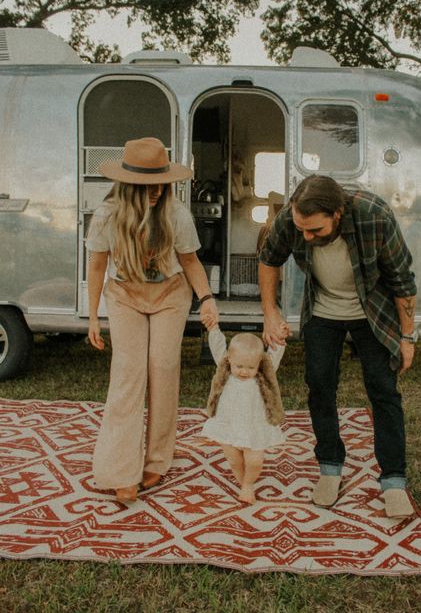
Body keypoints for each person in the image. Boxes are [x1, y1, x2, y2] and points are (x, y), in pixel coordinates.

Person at [259, 175, 417, 519]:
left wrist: (407, 337)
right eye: (302, 229)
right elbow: (269, 259)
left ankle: (393, 479)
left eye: (314, 231)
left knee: (382, 389)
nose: (306, 237)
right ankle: (329, 467)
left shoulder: (375, 216)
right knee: (319, 385)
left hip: (372, 311)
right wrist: (270, 313)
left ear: (338, 213)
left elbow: (403, 280)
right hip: (322, 309)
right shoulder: (293, 217)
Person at [86, 137, 219, 505]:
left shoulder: (176, 215)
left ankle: (158, 460)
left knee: (162, 368)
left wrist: (207, 299)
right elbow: (97, 266)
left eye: (161, 183)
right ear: (129, 185)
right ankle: (121, 471)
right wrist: (94, 316)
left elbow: (191, 262)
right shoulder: (107, 215)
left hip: (170, 295)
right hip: (125, 294)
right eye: (148, 185)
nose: (157, 191)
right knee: (128, 374)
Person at [200, 324, 286, 504]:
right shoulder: (226, 371)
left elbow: (274, 356)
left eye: (250, 367)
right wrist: (213, 328)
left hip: (253, 427)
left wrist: (280, 337)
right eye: (239, 366)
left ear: (259, 364)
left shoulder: (261, 375)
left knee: (254, 460)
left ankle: (248, 484)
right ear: (229, 359)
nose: (244, 371)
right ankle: (243, 483)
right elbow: (217, 347)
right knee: (233, 459)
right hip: (229, 425)